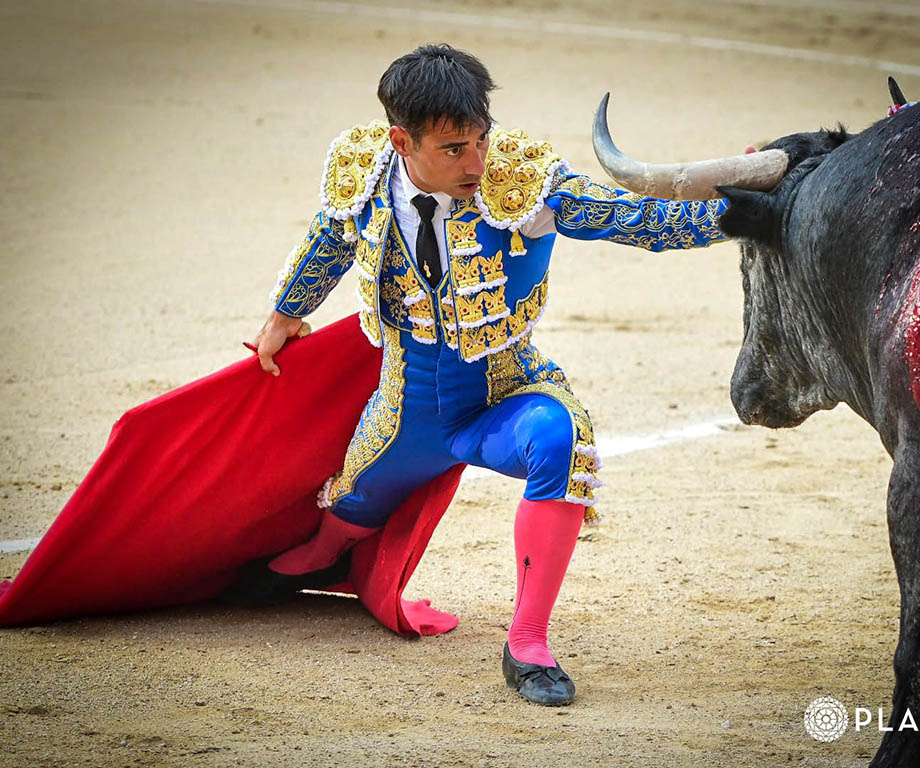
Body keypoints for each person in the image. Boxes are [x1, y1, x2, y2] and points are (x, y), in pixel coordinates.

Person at [223, 44, 729, 706]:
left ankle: (528, 645)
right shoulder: (367, 177)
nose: (477, 163)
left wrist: (733, 212)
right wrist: (283, 316)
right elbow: (330, 239)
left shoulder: (522, 183)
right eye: (454, 149)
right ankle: (319, 560)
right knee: (343, 519)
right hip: (403, 413)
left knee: (562, 439)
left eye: (481, 141)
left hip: (505, 396)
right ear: (402, 141)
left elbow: (632, 220)